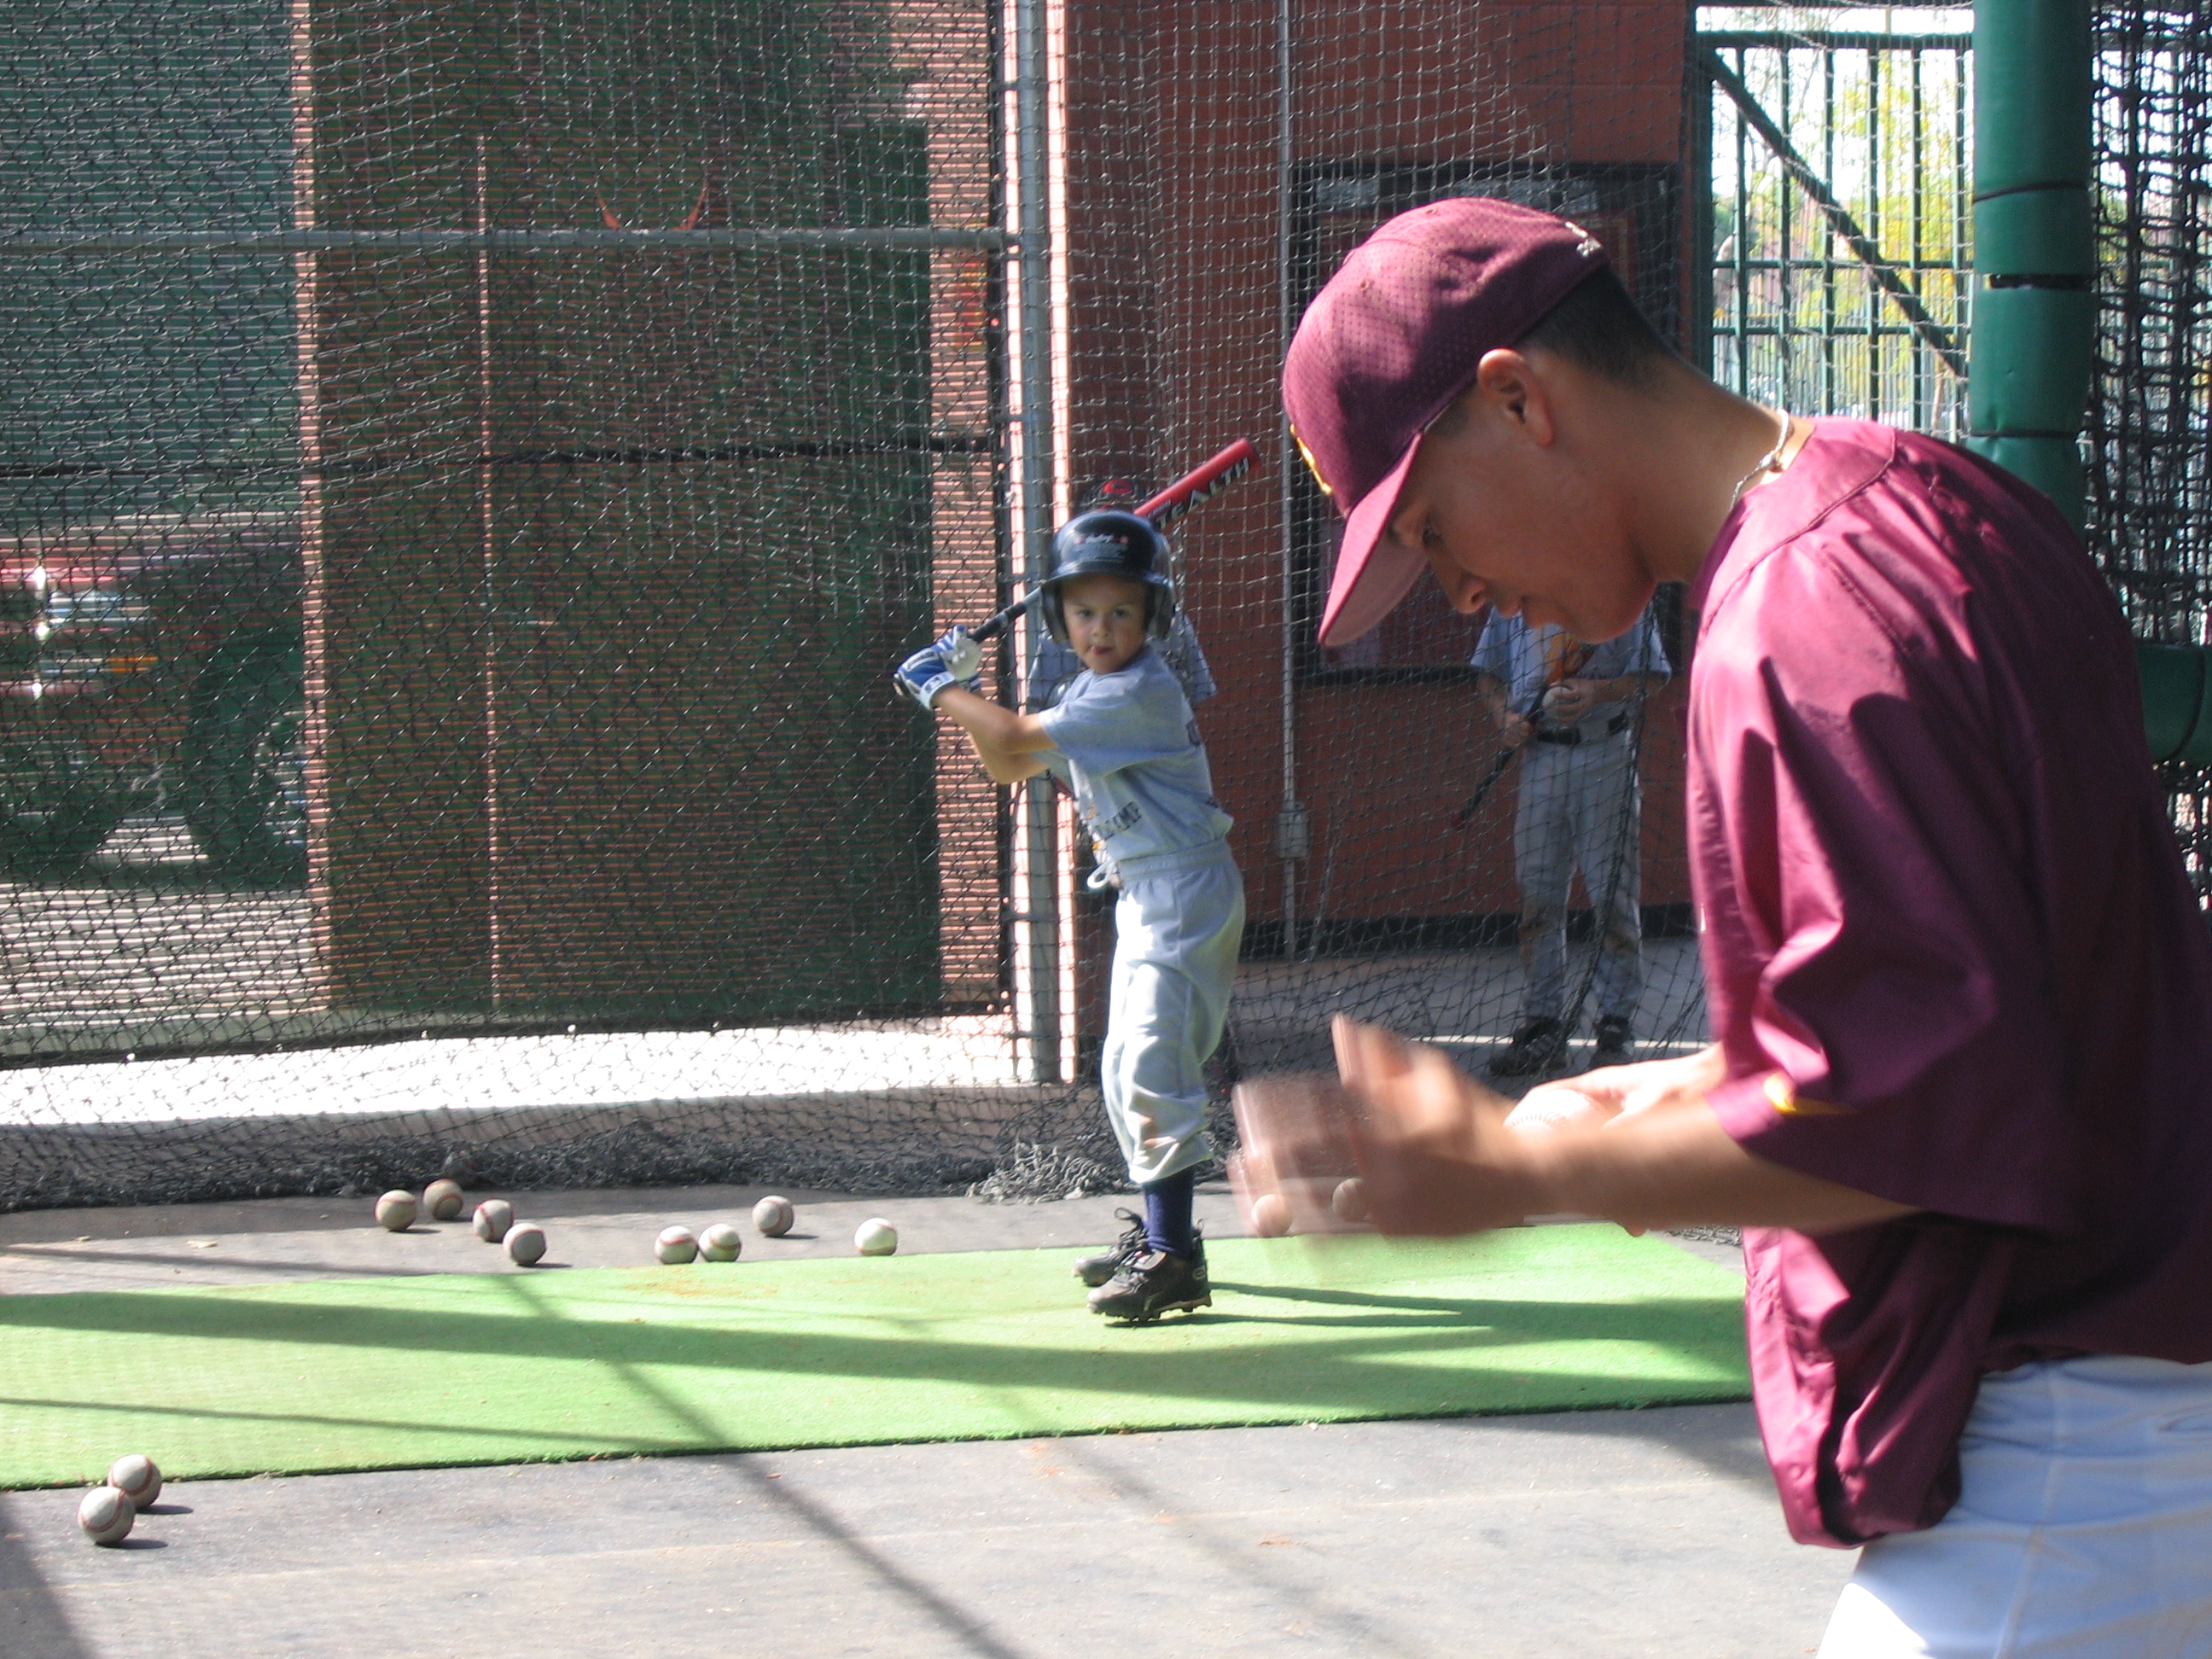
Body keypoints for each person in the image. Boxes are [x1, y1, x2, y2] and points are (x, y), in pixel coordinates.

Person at [1239, 194, 2212, 1653]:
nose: (1458, 590)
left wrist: (1511, 1173)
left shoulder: (1796, 612)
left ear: (1519, 399)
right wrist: (1704, 1083)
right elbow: (2010, 984)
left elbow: (1907, 1109)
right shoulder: (1918, 491)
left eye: (1431, 528)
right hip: (2142, 1400)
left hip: (2067, 1457)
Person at [894, 509, 1244, 1323]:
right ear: (1059, 616)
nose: (1102, 628)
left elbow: (1013, 733)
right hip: (1149, 893)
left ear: (1152, 617)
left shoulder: (1140, 691)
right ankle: (1168, 1242)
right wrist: (962, 692)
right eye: (1084, 611)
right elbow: (1008, 759)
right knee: (1122, 1067)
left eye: (1121, 610)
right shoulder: (1089, 690)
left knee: (1152, 1064)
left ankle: (1172, 1257)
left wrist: (943, 688)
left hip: (1184, 892)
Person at [1470, 605, 1669, 1077]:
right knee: (1538, 898)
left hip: (1606, 752)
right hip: (1542, 757)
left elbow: (1653, 674)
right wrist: (1504, 718)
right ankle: (1543, 1027)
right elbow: (1487, 674)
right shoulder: (1513, 596)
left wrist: (1598, 691)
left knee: (1613, 896)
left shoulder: (1618, 592)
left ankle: (1615, 1025)